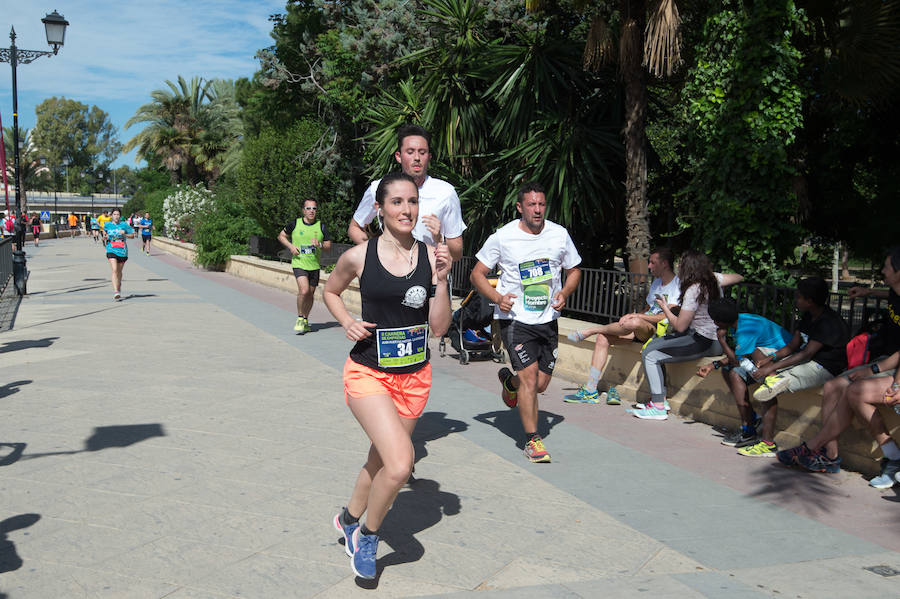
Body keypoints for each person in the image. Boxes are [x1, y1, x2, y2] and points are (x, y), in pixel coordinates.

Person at [323, 172, 451, 580]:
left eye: (412, 202)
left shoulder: (432, 257)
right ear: (380, 209)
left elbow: (440, 327)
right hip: (367, 372)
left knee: (380, 459)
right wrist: (346, 321)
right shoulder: (360, 256)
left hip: (414, 378)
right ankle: (368, 535)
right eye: (396, 202)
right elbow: (330, 290)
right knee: (400, 465)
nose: (406, 210)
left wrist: (444, 281)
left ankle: (347, 518)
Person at [470, 181, 582, 463]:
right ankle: (533, 441)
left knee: (541, 384)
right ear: (520, 207)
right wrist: (497, 298)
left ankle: (510, 382)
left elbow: (574, 270)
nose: (537, 210)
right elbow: (477, 275)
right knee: (530, 381)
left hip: (547, 319)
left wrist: (565, 292)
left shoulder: (559, 235)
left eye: (541, 204)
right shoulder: (503, 237)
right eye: (531, 205)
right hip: (515, 319)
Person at [778, 247, 900, 485]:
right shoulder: (896, 291)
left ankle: (815, 447)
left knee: (855, 391)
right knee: (834, 386)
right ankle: (829, 456)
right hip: (889, 359)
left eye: (886, 266)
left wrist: (882, 376)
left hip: (893, 365)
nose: (882, 270)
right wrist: (869, 291)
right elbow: (891, 295)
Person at [633, 250, 743, 420]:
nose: (678, 267)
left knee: (650, 354)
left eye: (681, 264)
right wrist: (715, 277)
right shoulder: (714, 280)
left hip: (702, 341)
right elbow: (738, 277)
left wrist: (665, 309)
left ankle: (658, 406)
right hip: (713, 340)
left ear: (689, 268)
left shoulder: (694, 290)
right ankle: (660, 399)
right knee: (654, 346)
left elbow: (680, 325)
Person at [567, 247, 680, 405]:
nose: (649, 266)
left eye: (653, 262)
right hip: (641, 329)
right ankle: (591, 389)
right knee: (603, 338)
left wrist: (637, 316)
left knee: (633, 321)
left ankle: (591, 330)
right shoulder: (656, 283)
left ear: (665, 264)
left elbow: (666, 316)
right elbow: (648, 309)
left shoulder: (677, 285)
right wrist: (637, 316)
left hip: (659, 331)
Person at [347, 124, 466, 262]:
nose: (417, 158)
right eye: (410, 152)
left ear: (429, 156)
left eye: (422, 152)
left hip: (429, 278)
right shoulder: (379, 188)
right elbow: (354, 227)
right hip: (390, 276)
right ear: (398, 156)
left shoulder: (446, 193)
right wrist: (376, 256)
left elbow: (457, 254)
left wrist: (439, 238)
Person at [698, 298, 794, 450]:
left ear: (718, 322)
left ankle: (749, 427)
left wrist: (722, 341)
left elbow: (737, 360)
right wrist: (713, 364)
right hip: (766, 356)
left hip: (782, 357)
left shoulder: (745, 330)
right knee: (729, 371)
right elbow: (740, 355)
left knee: (735, 372)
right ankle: (751, 422)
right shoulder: (740, 321)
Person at [277, 199, 332, 334]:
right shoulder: (295, 224)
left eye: (314, 208)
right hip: (299, 263)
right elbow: (281, 236)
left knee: (310, 294)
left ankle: (306, 319)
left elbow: (328, 246)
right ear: (303, 210)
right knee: (304, 291)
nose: (311, 211)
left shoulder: (321, 226)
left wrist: (319, 244)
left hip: (314, 265)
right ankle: (300, 317)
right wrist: (290, 246)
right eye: (308, 208)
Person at [103, 209, 135, 301]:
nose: (116, 216)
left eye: (118, 214)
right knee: (114, 270)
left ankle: (119, 284)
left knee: (119, 272)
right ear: (112, 216)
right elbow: (105, 233)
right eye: (114, 214)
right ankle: (116, 291)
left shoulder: (124, 225)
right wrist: (105, 236)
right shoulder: (108, 224)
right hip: (111, 248)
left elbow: (132, 235)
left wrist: (125, 234)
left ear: (120, 216)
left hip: (122, 250)